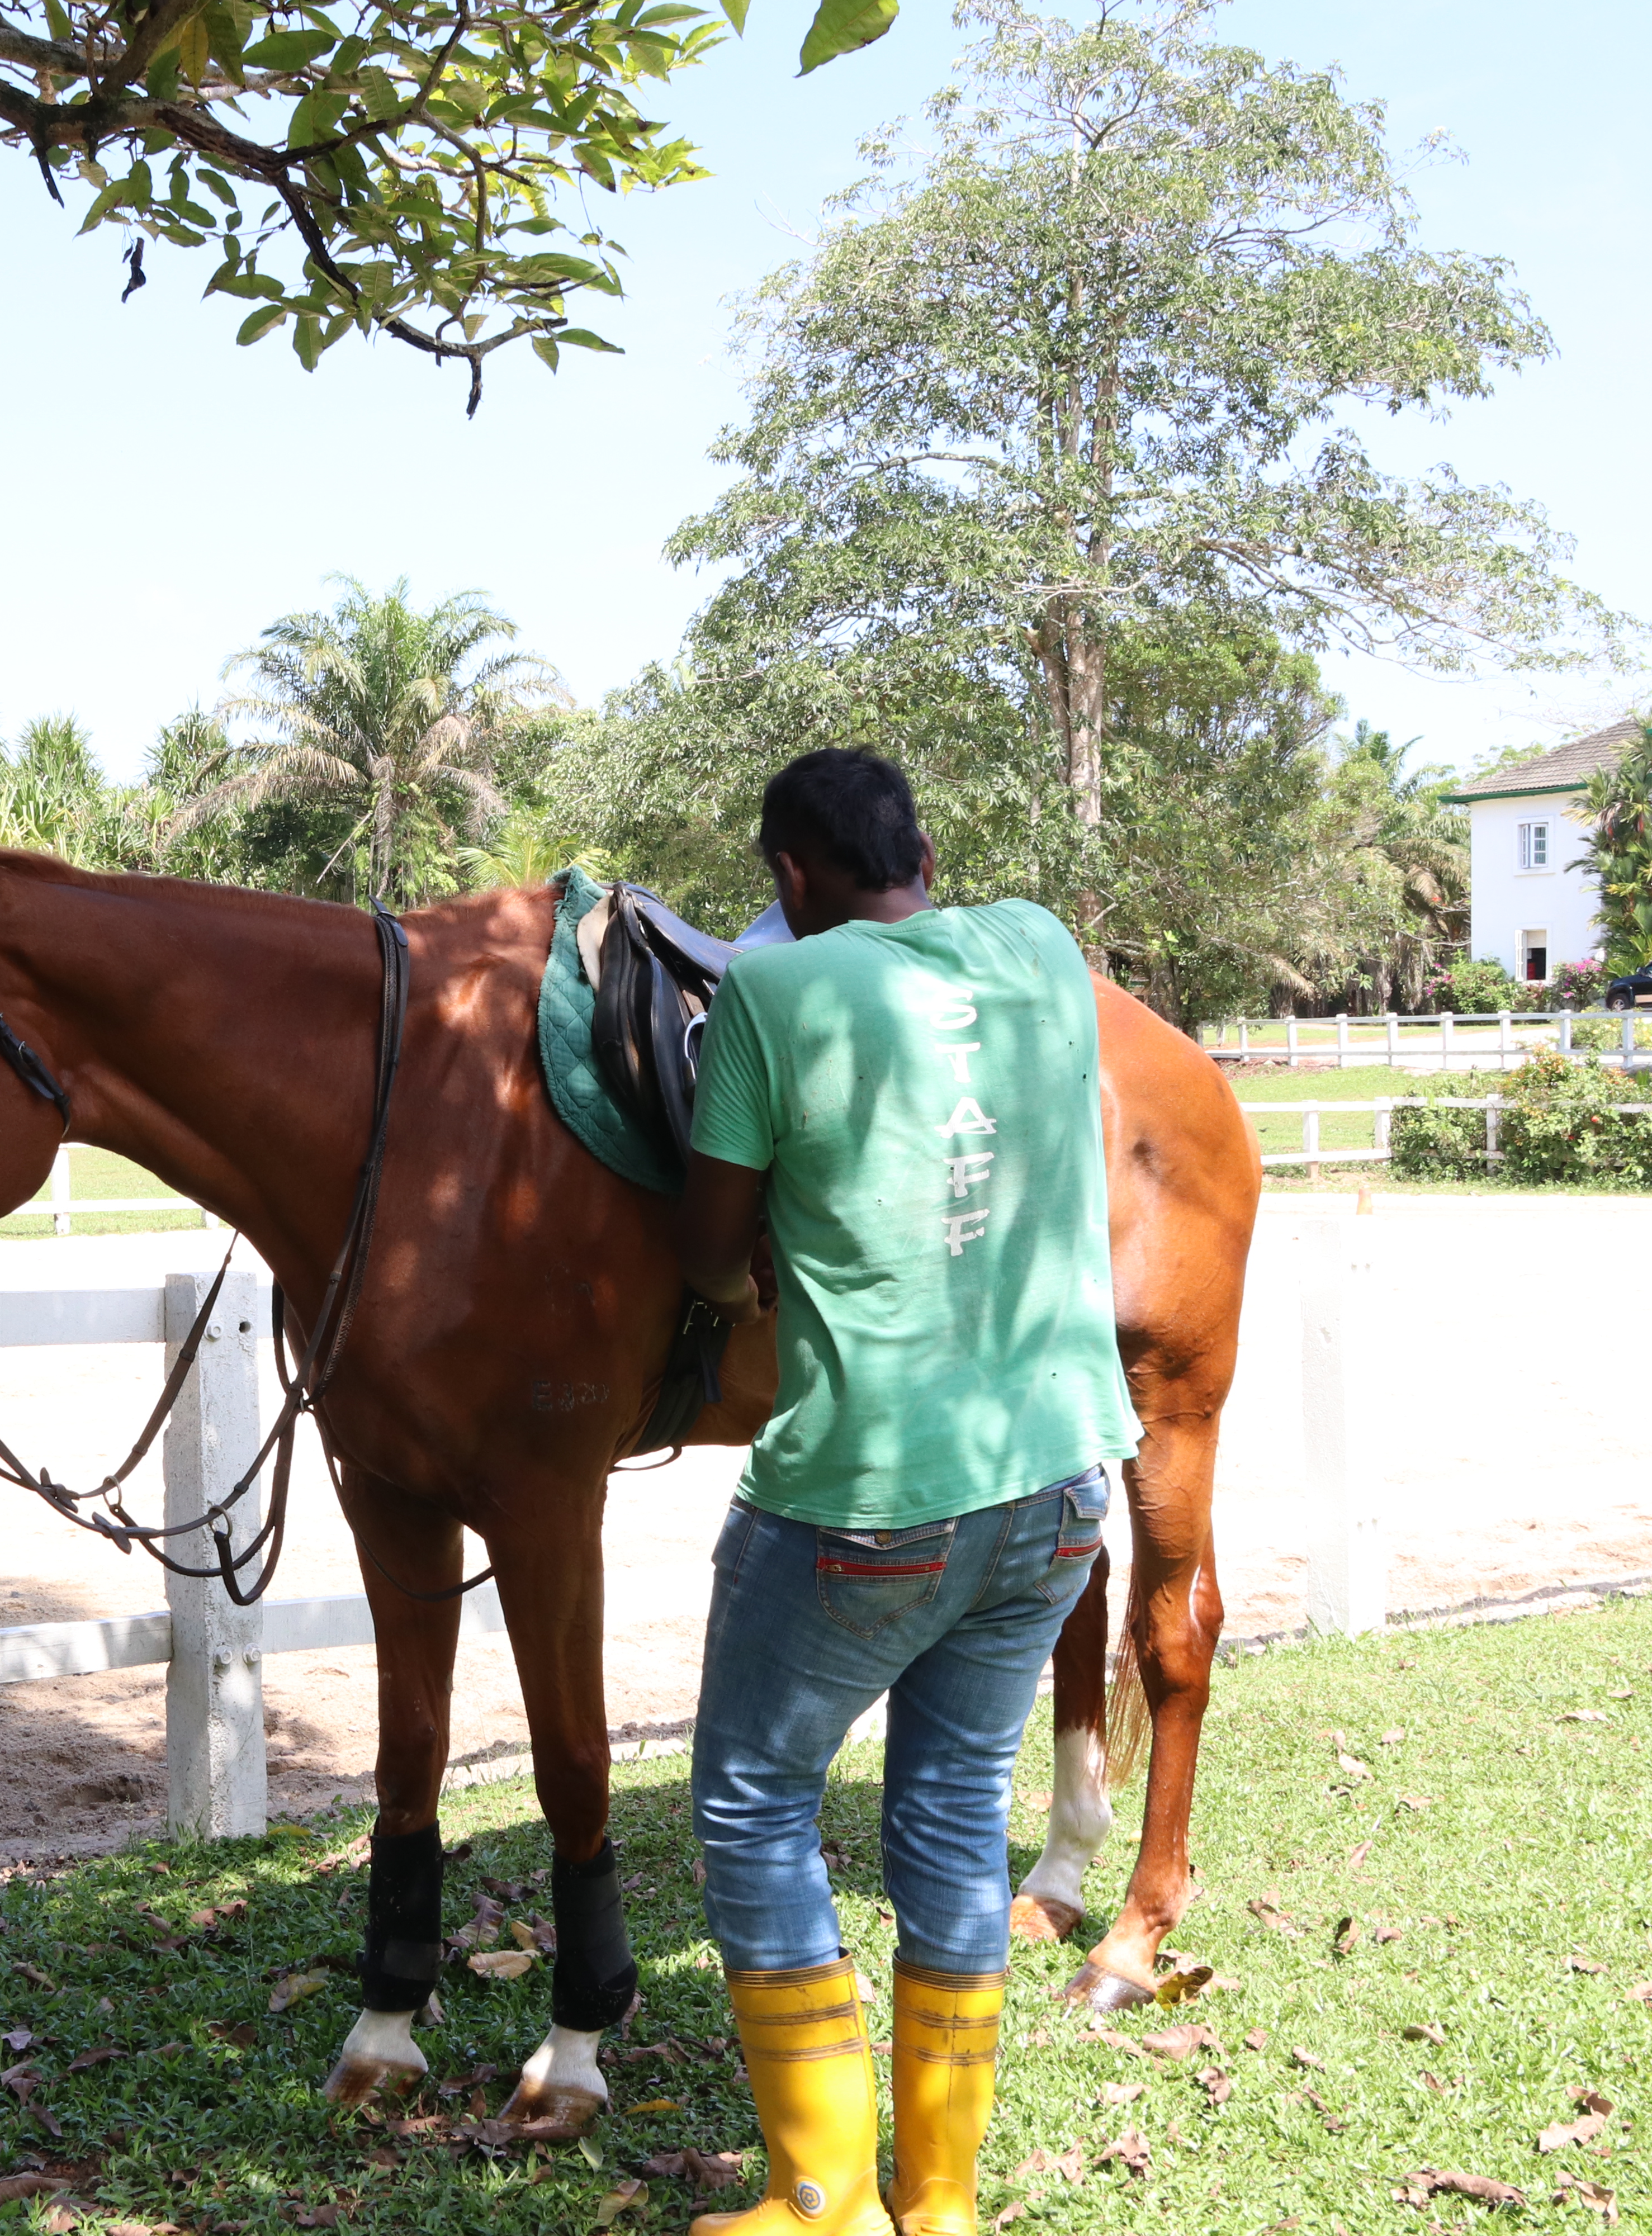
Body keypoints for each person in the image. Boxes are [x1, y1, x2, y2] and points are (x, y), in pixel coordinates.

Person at [672, 749, 1137, 2236]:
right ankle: (935, 2203)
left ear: (790, 883)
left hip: (869, 1504)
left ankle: (818, 2199)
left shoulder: (772, 995)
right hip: (1062, 1481)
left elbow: (703, 1253)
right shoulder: (1044, 948)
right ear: (920, 851)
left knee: (755, 1804)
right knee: (945, 1813)